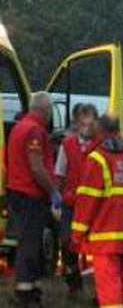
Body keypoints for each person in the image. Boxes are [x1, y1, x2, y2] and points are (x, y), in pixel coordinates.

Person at [71, 115, 123, 308]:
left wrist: (77, 235)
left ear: (101, 132)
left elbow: (87, 201)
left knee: (109, 288)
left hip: (105, 237)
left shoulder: (98, 159)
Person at [7, 92, 59, 306]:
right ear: (44, 110)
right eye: (49, 111)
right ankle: (25, 292)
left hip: (17, 192)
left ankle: (33, 287)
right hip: (30, 195)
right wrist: (53, 191)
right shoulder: (35, 130)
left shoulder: (20, 126)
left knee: (31, 242)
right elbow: (37, 167)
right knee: (30, 243)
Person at [55, 103, 99, 298]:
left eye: (91, 120)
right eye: (84, 120)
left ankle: (102, 288)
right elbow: (59, 174)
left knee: (100, 248)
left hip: (96, 207)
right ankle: (74, 281)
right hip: (71, 204)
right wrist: (55, 201)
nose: (87, 124)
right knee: (66, 241)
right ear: (77, 122)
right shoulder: (67, 144)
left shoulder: (102, 144)